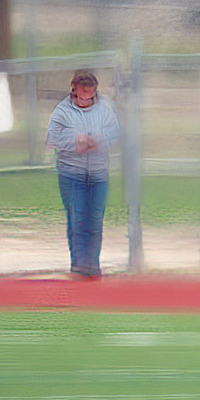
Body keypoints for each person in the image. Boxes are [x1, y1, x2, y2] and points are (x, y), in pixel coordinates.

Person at [47, 69, 122, 279]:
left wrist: (98, 139)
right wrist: (75, 142)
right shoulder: (62, 111)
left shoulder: (104, 108)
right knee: (77, 218)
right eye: (83, 93)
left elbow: (115, 133)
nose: (86, 98)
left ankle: (93, 264)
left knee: (95, 220)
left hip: (98, 174)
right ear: (74, 90)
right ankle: (79, 265)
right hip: (72, 174)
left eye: (90, 93)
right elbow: (52, 138)